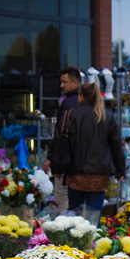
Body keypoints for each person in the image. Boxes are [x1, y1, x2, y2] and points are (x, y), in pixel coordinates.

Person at [65, 81, 125, 211]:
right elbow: (117, 146)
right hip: (100, 172)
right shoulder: (106, 115)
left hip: (76, 171)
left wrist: (58, 167)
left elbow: (65, 142)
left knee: (74, 216)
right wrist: (120, 170)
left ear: (80, 95)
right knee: (94, 215)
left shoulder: (73, 114)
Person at [43, 67, 81, 211]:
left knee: (62, 197)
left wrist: (51, 157)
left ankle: (62, 229)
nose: (61, 86)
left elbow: (60, 132)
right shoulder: (87, 105)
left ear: (75, 83)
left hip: (66, 159)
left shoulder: (68, 104)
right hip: (84, 162)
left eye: (64, 82)